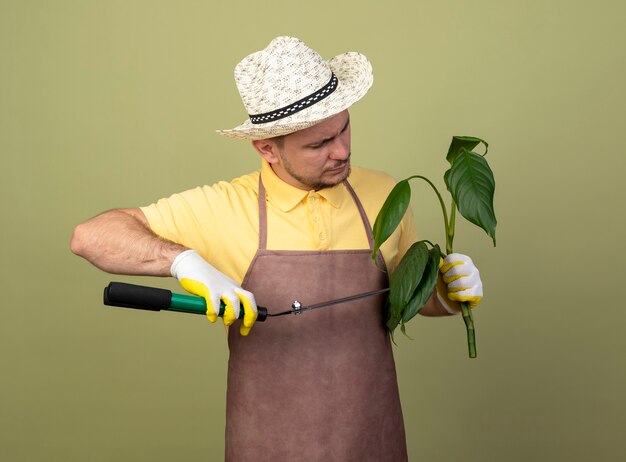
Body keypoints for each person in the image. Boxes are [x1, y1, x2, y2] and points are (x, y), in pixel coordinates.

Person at [71, 36, 483, 462]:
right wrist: (182, 260)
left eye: (344, 129)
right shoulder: (225, 206)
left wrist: (447, 296)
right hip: (267, 446)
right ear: (267, 148)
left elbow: (407, 296)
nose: (341, 151)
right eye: (319, 144)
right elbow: (90, 236)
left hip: (372, 442)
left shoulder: (386, 194)